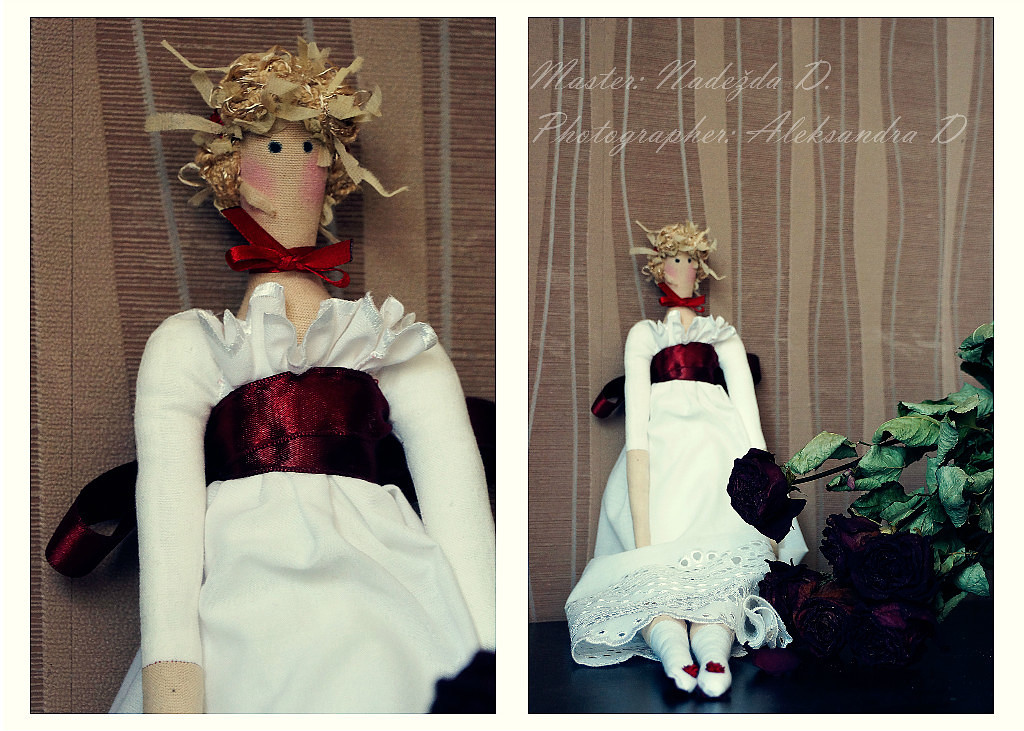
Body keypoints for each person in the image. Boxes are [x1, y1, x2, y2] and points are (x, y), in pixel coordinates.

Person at [109, 39, 495, 713]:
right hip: (240, 599)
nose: (296, 166)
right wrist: (173, 691)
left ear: (335, 168)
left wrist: (494, 663)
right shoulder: (191, 346)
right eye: (273, 147)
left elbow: (464, 524)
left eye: (313, 147)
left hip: (392, 592)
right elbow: (169, 530)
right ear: (231, 170)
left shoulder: (398, 346)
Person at [564, 221, 806, 698]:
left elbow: (750, 421)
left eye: (692, 260)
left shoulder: (723, 336)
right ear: (661, 269)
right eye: (676, 260)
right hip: (661, 452)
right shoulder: (645, 335)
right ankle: (674, 651)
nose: (686, 268)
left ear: (701, 268)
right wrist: (643, 534)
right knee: (659, 575)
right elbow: (636, 427)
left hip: (721, 450)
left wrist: (764, 484)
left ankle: (714, 651)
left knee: (725, 572)